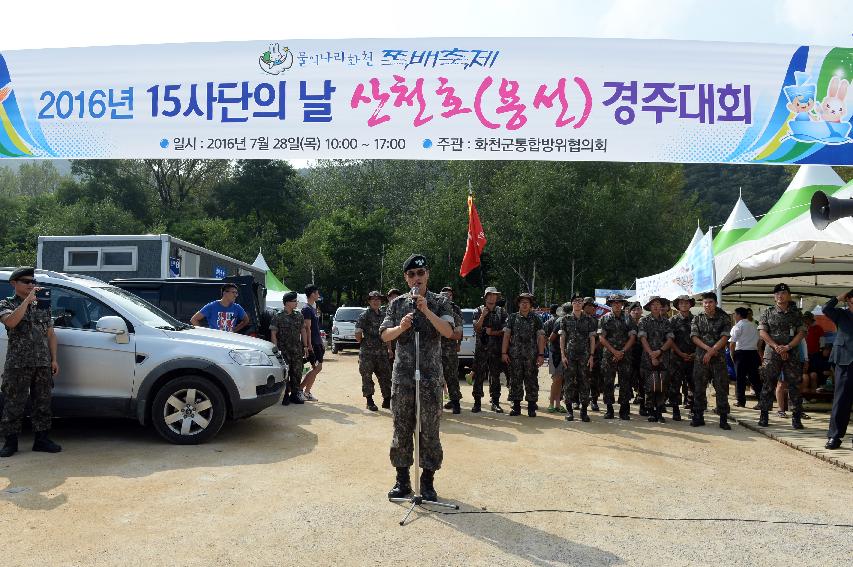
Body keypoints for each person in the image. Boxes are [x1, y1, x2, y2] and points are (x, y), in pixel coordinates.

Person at [381, 254, 454, 501]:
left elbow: (448, 331)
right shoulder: (397, 304)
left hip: (431, 376)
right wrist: (401, 328)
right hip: (403, 377)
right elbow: (385, 336)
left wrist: (426, 310)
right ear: (406, 278)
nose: (416, 278)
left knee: (430, 430)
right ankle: (402, 481)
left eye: (420, 274)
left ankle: (427, 482)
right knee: (402, 428)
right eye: (411, 274)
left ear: (427, 275)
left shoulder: (440, 302)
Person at [0, 267, 62, 457]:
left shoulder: (42, 305)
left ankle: (41, 440)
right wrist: (27, 301)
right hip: (18, 363)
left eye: (33, 282)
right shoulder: (6, 303)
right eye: (26, 281)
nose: (31, 285)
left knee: (42, 402)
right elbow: (10, 322)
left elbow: (50, 333)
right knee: (14, 403)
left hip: (42, 362)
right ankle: (10, 442)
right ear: (14, 283)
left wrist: (54, 359)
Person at [757, 283, 806, 429]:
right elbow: (762, 332)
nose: (780, 296)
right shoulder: (768, 312)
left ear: (789, 295)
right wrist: (776, 346)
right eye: (777, 293)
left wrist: (788, 346)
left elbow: (801, 332)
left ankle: (796, 417)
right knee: (768, 384)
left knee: (795, 386)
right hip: (772, 353)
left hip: (792, 353)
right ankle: (764, 415)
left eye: (783, 293)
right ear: (774, 297)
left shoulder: (797, 313)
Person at [690, 292, 733, 430]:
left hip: (718, 359)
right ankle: (698, 416)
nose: (707, 305)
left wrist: (713, 350)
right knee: (699, 387)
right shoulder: (697, 318)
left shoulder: (724, 317)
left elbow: (725, 336)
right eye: (705, 303)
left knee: (721, 388)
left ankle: (723, 418)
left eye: (710, 302)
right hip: (701, 358)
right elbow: (694, 337)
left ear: (715, 303)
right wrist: (708, 349)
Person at [502, 292, 545, 417]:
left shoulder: (536, 318)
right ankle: (516, 407)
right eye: (522, 302)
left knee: (531, 380)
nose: (525, 304)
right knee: (515, 380)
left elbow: (541, 336)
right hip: (515, 356)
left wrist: (541, 354)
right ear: (519, 304)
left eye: (527, 302)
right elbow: (507, 335)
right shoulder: (512, 317)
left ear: (531, 305)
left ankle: (531, 407)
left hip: (531, 356)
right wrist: (504, 352)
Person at [822, 290, 853, 450]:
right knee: (841, 400)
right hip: (844, 360)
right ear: (848, 300)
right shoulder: (841, 314)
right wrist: (839, 297)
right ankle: (835, 436)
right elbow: (825, 308)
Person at [598, 294, 637, 420]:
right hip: (609, 355)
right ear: (610, 304)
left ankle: (624, 410)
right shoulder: (604, 319)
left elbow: (632, 337)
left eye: (619, 302)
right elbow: (601, 338)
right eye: (614, 303)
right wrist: (614, 351)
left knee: (625, 382)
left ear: (622, 304)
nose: (617, 304)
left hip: (625, 355)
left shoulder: (628, 318)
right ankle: (609, 409)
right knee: (608, 382)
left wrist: (622, 352)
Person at [560, 294, 598, 422]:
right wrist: (562, 355)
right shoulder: (565, 319)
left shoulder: (589, 320)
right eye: (575, 301)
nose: (577, 303)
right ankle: (570, 411)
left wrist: (592, 356)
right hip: (569, 356)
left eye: (580, 301)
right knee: (569, 383)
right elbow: (562, 337)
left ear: (582, 304)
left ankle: (584, 412)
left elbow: (592, 339)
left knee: (584, 383)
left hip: (584, 356)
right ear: (572, 304)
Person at [638, 296, 673, 423]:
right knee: (650, 386)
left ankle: (659, 411)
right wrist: (652, 354)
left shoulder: (666, 321)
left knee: (662, 385)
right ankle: (651, 411)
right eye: (653, 304)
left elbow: (670, 339)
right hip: (648, 358)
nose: (656, 306)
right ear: (649, 307)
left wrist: (660, 351)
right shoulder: (644, 321)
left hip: (663, 357)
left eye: (658, 304)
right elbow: (642, 339)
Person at [472, 287, 507, 413]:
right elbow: (476, 328)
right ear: (485, 297)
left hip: (495, 349)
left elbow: (505, 330)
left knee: (495, 376)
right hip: (481, 348)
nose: (492, 297)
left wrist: (492, 333)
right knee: (479, 375)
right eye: (490, 295)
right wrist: (483, 316)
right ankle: (477, 403)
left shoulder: (501, 311)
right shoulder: (478, 310)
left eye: (495, 295)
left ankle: (495, 402)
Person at [355, 291, 392, 411]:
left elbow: (388, 333)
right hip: (368, 353)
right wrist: (363, 343)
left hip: (382, 352)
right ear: (369, 301)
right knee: (367, 377)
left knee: (386, 377)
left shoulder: (384, 315)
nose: (376, 301)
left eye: (378, 299)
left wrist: (389, 349)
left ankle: (387, 400)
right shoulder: (364, 315)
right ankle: (369, 401)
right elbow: (358, 333)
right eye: (373, 299)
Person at [269, 291, 306, 406]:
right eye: (294, 301)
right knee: (285, 373)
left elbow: (303, 331)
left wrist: (305, 346)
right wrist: (276, 350)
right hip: (283, 350)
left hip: (297, 350)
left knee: (297, 372)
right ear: (287, 303)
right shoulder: (278, 316)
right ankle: (285, 394)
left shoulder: (299, 316)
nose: (296, 303)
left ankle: (294, 394)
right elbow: (273, 334)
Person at [668, 295, 696, 421]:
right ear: (678, 306)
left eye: (686, 303)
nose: (684, 305)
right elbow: (670, 340)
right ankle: (675, 410)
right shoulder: (672, 321)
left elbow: (699, 338)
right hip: (677, 357)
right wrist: (680, 353)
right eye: (681, 303)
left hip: (693, 357)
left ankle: (693, 409)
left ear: (690, 305)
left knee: (694, 384)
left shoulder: (696, 320)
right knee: (675, 385)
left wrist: (694, 354)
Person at [438, 287, 464, 414]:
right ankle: (436, 405)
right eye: (443, 298)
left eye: (447, 298)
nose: (445, 301)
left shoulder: (455, 316)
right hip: (433, 353)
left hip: (449, 352)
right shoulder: (433, 315)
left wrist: (445, 333)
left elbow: (458, 334)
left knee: (452, 378)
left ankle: (455, 403)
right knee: (434, 379)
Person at [729, 306, 761, 408]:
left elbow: (732, 343)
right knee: (755, 378)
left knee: (740, 378)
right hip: (753, 353)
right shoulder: (754, 325)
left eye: (735, 314)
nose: (734, 316)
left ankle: (741, 401)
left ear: (738, 315)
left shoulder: (737, 326)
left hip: (741, 353)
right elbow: (760, 340)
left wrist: (731, 354)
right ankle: (761, 400)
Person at [300, 284, 324, 402]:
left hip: (317, 342)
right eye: (317, 292)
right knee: (317, 367)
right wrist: (309, 345)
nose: (318, 295)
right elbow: (307, 329)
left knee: (317, 368)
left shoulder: (313, 308)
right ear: (312, 294)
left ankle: (306, 392)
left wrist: (320, 342)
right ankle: (300, 390)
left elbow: (316, 328)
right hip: (312, 343)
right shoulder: (306, 309)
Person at [543, 304, 566, 413]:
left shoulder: (550, 322)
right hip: (556, 354)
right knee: (557, 379)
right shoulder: (559, 322)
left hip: (558, 353)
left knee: (559, 380)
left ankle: (557, 403)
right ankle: (552, 403)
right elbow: (550, 338)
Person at [584, 297, 603, 411]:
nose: (590, 308)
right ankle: (577, 400)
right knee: (579, 378)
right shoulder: (576, 319)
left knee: (594, 379)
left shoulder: (597, 322)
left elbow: (600, 339)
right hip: (579, 354)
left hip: (595, 354)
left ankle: (594, 401)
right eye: (587, 306)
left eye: (592, 306)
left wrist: (592, 350)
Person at [628, 301, 645, 414]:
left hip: (642, 356)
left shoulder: (645, 322)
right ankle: (626, 405)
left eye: (638, 309)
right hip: (628, 356)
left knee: (642, 381)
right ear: (630, 312)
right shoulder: (626, 322)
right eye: (633, 310)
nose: (636, 311)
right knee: (628, 380)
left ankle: (643, 405)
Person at [386, 288, 401, 363]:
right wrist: (389, 348)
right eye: (391, 296)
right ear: (388, 298)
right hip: (388, 347)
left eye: (396, 296)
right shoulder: (385, 312)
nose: (394, 298)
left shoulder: (403, 310)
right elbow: (387, 329)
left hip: (400, 346)